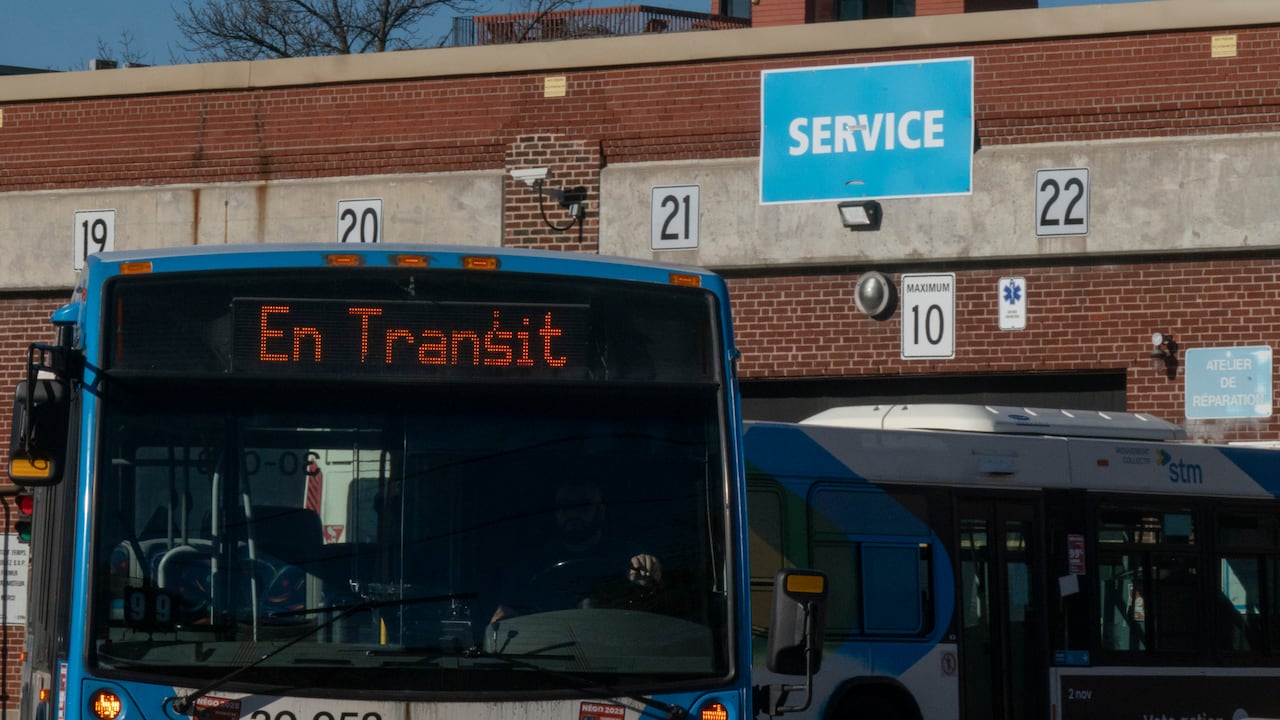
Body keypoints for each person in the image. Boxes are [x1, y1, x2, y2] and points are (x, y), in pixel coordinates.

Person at [490, 478, 662, 622]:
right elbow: (506, 619)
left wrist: (645, 578)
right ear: (556, 513)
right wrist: (503, 620)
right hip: (546, 655)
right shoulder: (530, 565)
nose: (573, 513)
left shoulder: (628, 557)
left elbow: (654, 607)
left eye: (583, 505)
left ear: (600, 510)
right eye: (565, 506)